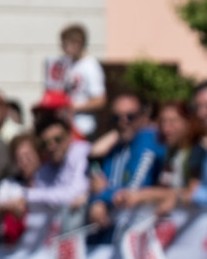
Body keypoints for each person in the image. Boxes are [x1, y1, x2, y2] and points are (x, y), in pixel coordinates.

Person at [86, 89, 160, 226]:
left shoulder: (147, 139)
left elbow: (134, 188)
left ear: (143, 117)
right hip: (112, 230)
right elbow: (98, 181)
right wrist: (98, 198)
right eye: (116, 118)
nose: (123, 122)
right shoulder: (116, 148)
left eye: (130, 116)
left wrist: (101, 197)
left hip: (138, 227)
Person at [55, 23, 106, 134]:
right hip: (69, 125)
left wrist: (73, 107)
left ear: (77, 43)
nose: (63, 49)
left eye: (65, 45)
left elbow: (99, 100)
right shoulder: (70, 64)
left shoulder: (91, 65)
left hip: (85, 127)